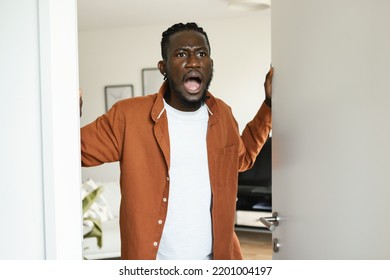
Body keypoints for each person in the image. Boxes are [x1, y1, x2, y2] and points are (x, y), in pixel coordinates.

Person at [80, 22, 273, 260]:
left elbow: (241, 159)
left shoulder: (222, 114)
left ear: (210, 64)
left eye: (201, 54)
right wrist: (64, 118)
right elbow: (76, 152)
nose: (193, 62)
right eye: (181, 54)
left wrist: (269, 106)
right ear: (163, 67)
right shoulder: (128, 116)